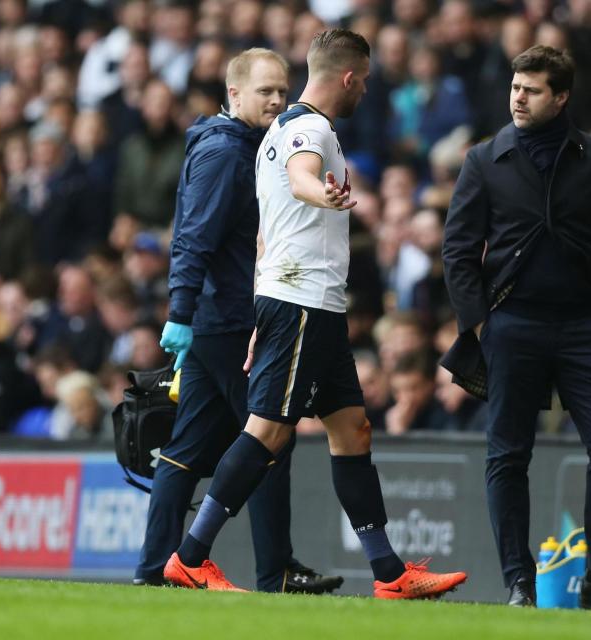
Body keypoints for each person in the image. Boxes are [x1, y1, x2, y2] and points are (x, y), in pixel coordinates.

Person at [161, 29, 467, 599]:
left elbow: (264, 232)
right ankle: (190, 556)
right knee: (269, 433)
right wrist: (321, 193)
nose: (367, 89)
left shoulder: (277, 129)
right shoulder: (312, 128)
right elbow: (304, 176)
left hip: (307, 305)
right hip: (301, 303)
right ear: (348, 78)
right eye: (366, 80)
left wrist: (260, 308)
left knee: (352, 428)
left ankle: (389, 573)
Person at [442, 45, 591, 611]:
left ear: (560, 97)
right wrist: (478, 323)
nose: (518, 98)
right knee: (507, 454)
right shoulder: (484, 159)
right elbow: (458, 250)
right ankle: (519, 581)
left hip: (588, 328)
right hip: (512, 324)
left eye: (531, 90)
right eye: (514, 87)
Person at [140, 48, 340, 595]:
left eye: (282, 90)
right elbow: (193, 237)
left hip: (218, 318)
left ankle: (155, 567)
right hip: (228, 319)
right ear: (234, 94)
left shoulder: (242, 145)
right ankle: (276, 571)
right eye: (265, 92)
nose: (277, 100)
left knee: (187, 449)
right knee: (272, 434)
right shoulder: (228, 153)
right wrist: (180, 311)